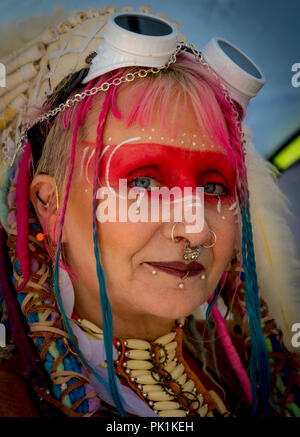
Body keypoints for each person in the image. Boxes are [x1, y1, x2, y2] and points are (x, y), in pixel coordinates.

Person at [0, 5, 299, 418]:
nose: (194, 233)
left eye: (214, 187)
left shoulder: (263, 378)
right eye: (143, 183)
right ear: (51, 205)